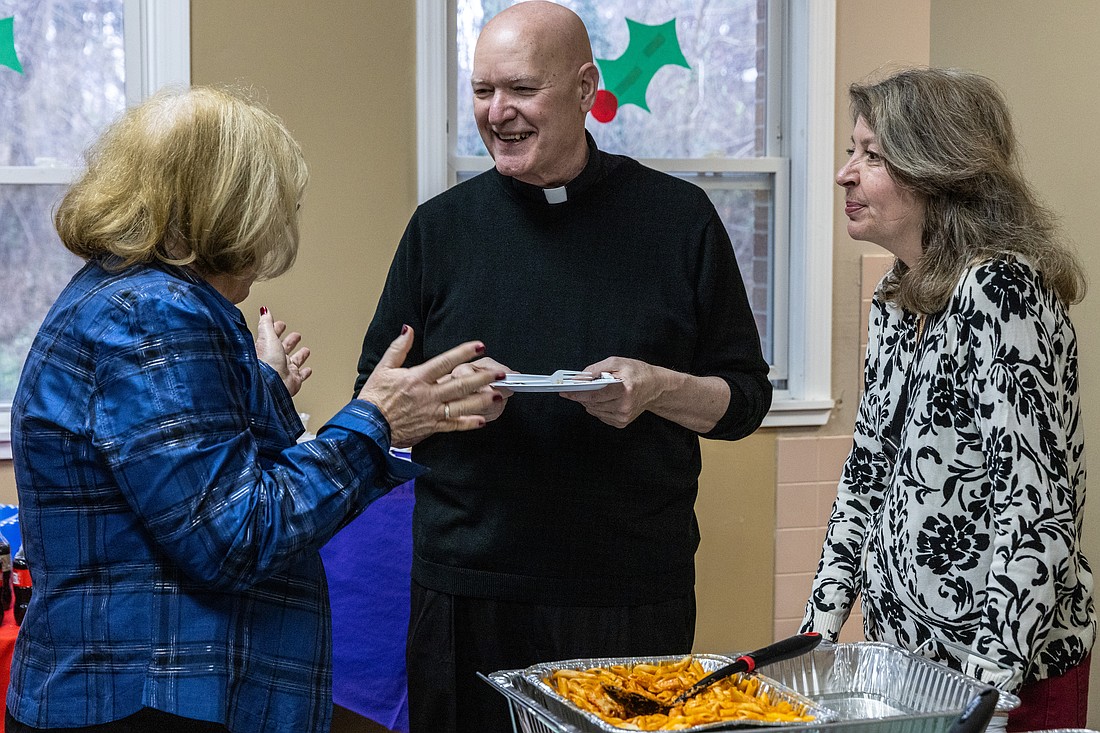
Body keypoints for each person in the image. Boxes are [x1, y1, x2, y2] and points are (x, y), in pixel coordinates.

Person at [7, 86, 502, 733]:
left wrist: (259, 385)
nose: (277, 230)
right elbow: (232, 536)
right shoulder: (154, 313)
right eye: (276, 207)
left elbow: (170, 463)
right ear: (227, 207)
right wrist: (376, 421)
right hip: (149, 700)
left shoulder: (122, 294)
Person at [352, 2, 772, 731]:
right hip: (467, 591)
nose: (497, 112)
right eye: (482, 92)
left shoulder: (680, 220)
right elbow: (373, 399)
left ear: (585, 88)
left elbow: (743, 400)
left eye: (520, 89)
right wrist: (441, 402)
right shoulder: (440, 230)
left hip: (630, 595)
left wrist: (658, 388)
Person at [801, 67, 1095, 731]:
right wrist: (813, 639)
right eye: (853, 151)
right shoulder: (897, 295)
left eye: (871, 155)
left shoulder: (1001, 292)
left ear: (938, 171)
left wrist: (985, 701)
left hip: (1003, 679)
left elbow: (1038, 512)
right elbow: (865, 476)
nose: (845, 173)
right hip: (909, 667)